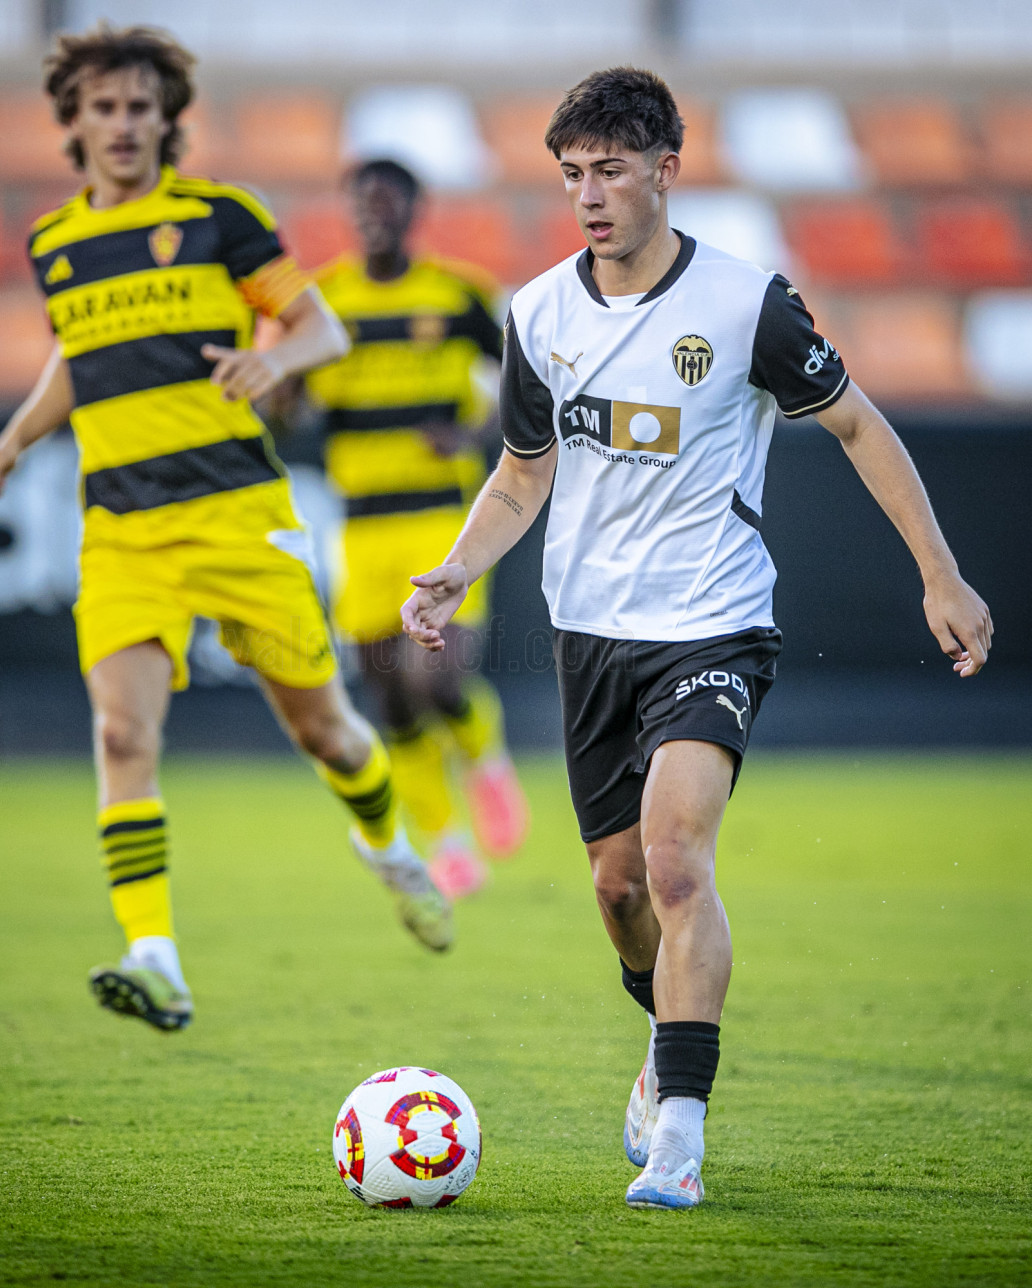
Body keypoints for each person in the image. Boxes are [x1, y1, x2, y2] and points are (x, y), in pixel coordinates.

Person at [401, 66, 992, 1208]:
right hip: (589, 636)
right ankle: (661, 1030)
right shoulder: (538, 314)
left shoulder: (745, 304)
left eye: (611, 171)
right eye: (571, 174)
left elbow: (859, 426)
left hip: (715, 622)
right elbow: (523, 472)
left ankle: (679, 1131)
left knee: (676, 860)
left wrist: (940, 572)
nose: (589, 196)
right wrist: (458, 569)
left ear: (666, 170)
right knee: (619, 889)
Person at [0, 24, 453, 1035]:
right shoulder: (54, 244)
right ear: (74, 122)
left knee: (325, 731)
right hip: (122, 531)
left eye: (140, 107)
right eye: (104, 107)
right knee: (120, 733)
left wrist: (275, 360)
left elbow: (320, 326)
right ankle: (156, 958)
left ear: (167, 118)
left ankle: (389, 845)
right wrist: (11, 441)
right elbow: (76, 359)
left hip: (237, 519)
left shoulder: (220, 218)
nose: (123, 124)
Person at [297, 158, 529, 899]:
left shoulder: (457, 296)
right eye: (362, 202)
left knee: (437, 679)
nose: (375, 213)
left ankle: (484, 755)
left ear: (412, 210)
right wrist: (277, 380)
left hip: (439, 519)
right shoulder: (323, 304)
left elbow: (525, 384)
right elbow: (285, 404)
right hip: (361, 529)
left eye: (388, 200)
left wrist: (471, 434)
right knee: (392, 698)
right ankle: (448, 843)